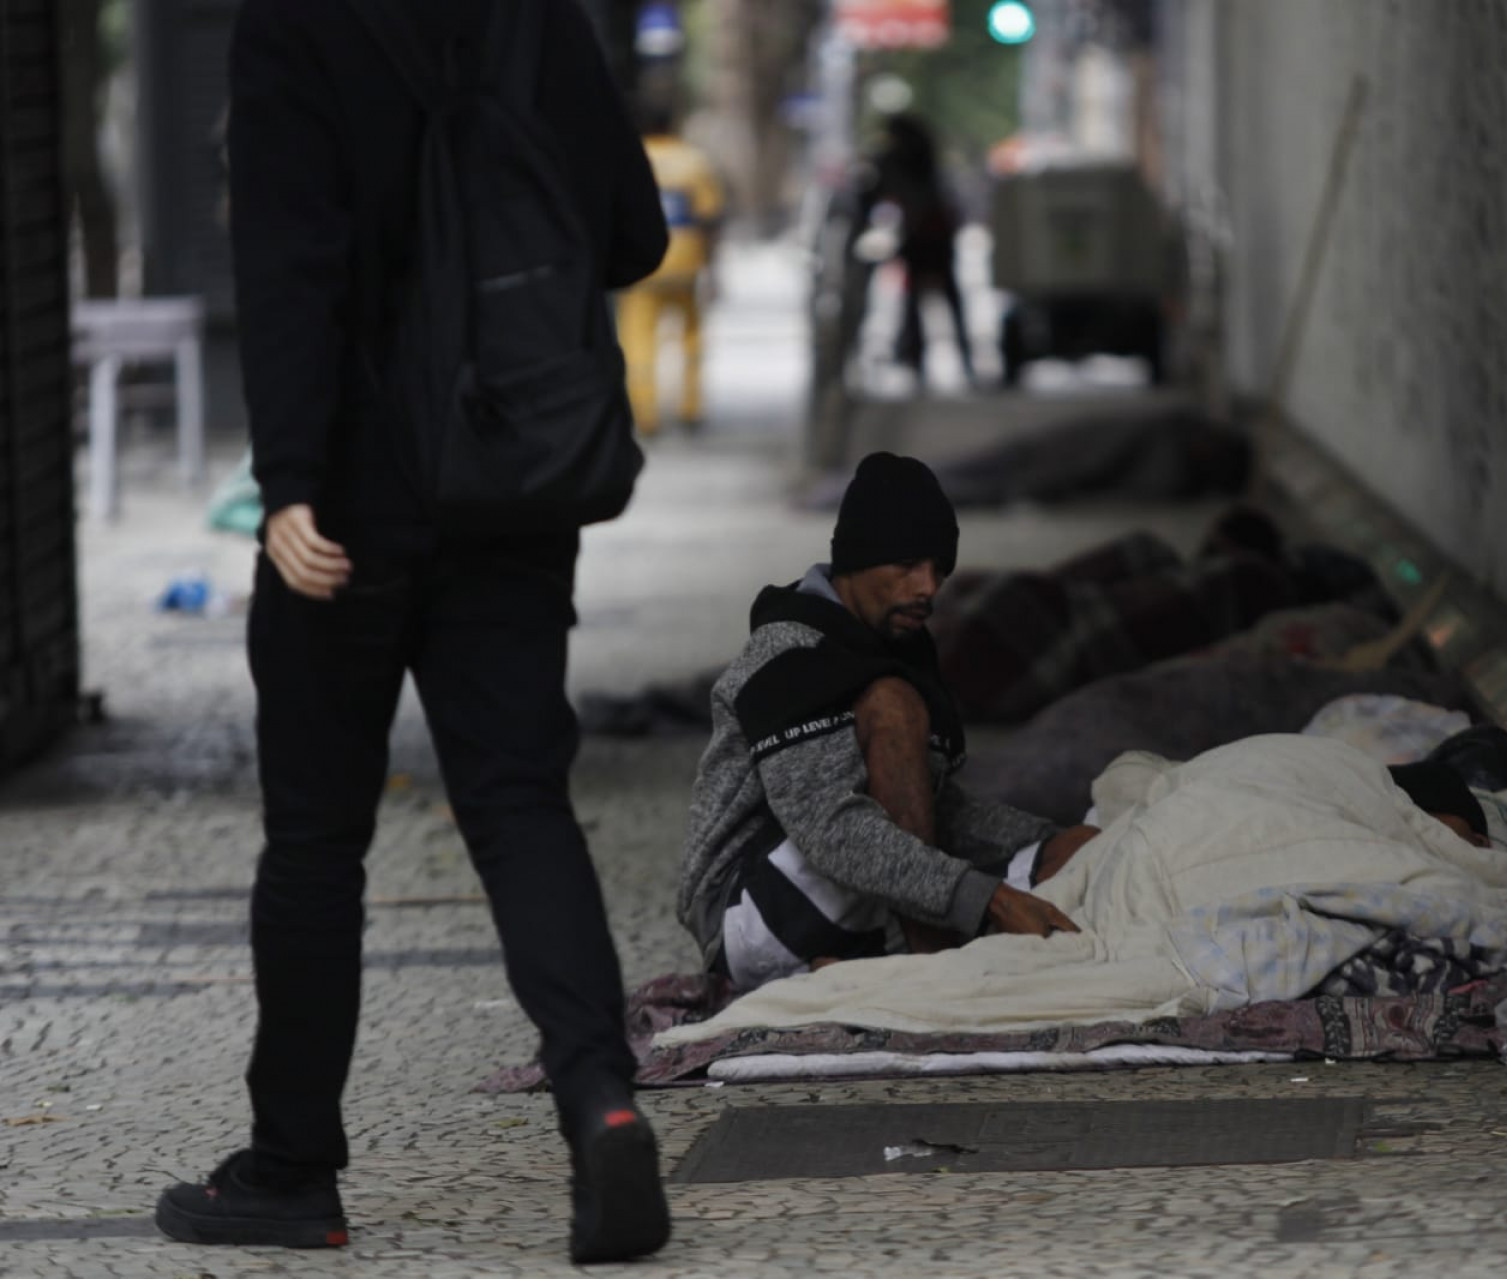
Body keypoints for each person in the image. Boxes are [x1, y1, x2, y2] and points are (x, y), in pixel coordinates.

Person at [155, 0, 672, 1264]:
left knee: (319, 838)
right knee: (517, 800)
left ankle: (291, 1169)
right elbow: (633, 235)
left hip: (354, 498)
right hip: (512, 480)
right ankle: (601, 1096)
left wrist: (289, 484)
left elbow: (289, 267)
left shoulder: (295, 26)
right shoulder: (538, 20)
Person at [678, 452, 1098, 991]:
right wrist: (987, 897)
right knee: (893, 705)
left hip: (852, 896)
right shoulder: (788, 652)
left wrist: (1052, 843)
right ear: (856, 559)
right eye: (906, 565)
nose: (927, 587)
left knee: (1073, 858)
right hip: (746, 911)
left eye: (938, 569)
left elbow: (928, 809)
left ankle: (860, 970)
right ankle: (933, 972)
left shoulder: (901, 647)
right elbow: (833, 830)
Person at [617, 103, 725, 434]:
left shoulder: (628, 161)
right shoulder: (693, 161)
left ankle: (645, 415)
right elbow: (710, 216)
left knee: (638, 341)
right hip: (686, 262)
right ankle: (691, 409)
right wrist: (713, 266)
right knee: (690, 338)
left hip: (642, 265)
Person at [858, 114, 975, 387]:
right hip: (933, 236)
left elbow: (873, 196)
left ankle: (920, 360)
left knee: (920, 304)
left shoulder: (894, 161)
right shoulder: (922, 156)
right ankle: (954, 360)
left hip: (923, 236)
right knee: (941, 302)